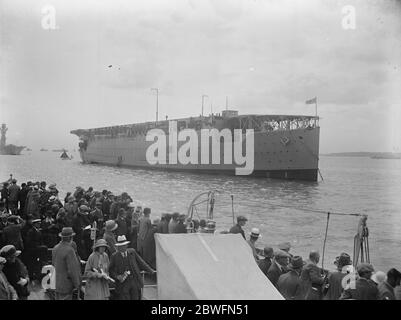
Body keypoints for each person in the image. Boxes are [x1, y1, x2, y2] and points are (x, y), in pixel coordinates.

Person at [109, 235, 155, 300]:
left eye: (124, 245)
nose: (122, 247)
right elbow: (111, 270)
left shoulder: (132, 252)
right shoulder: (114, 256)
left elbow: (141, 262)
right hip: (123, 284)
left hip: (134, 281)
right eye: (120, 246)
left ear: (127, 245)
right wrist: (117, 276)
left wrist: (150, 270)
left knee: (135, 297)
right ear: (118, 247)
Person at [52, 227, 82, 300]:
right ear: (70, 237)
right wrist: (77, 284)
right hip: (66, 285)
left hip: (56, 283)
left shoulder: (55, 248)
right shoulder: (69, 250)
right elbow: (72, 270)